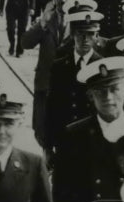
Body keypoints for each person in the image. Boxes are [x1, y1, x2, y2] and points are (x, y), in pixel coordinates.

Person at [52, 56, 124, 202]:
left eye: (114, 89)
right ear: (90, 97)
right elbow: (61, 194)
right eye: (100, 92)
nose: (108, 97)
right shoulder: (74, 135)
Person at [22, 0, 76, 149]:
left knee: (65, 130)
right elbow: (25, 43)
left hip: (68, 85)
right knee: (41, 130)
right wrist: (42, 23)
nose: (63, 0)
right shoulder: (47, 20)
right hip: (45, 84)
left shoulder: (79, 21)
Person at [45, 10, 106, 155]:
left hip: (93, 140)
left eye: (90, 34)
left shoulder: (102, 66)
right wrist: (47, 146)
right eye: (80, 34)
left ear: (96, 36)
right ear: (72, 34)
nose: (85, 39)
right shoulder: (58, 66)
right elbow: (51, 107)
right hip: (65, 138)